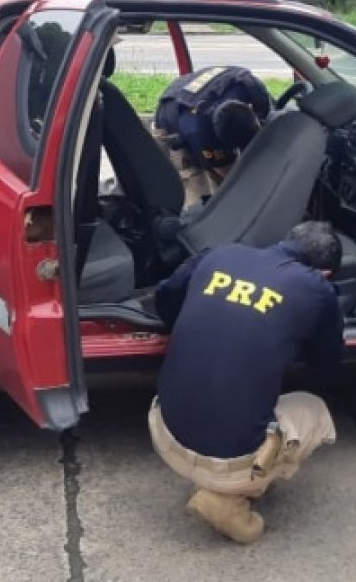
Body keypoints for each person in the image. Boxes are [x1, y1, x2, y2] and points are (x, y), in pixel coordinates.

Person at [147, 221, 344, 544]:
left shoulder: (220, 253)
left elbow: (166, 297)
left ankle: (220, 475)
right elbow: (326, 365)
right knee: (315, 409)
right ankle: (227, 497)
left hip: (163, 430)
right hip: (223, 464)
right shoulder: (316, 289)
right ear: (324, 273)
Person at [153, 65, 272, 210]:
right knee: (204, 196)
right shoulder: (199, 131)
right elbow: (231, 178)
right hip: (171, 117)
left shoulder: (249, 85)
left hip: (197, 95)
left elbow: (267, 116)